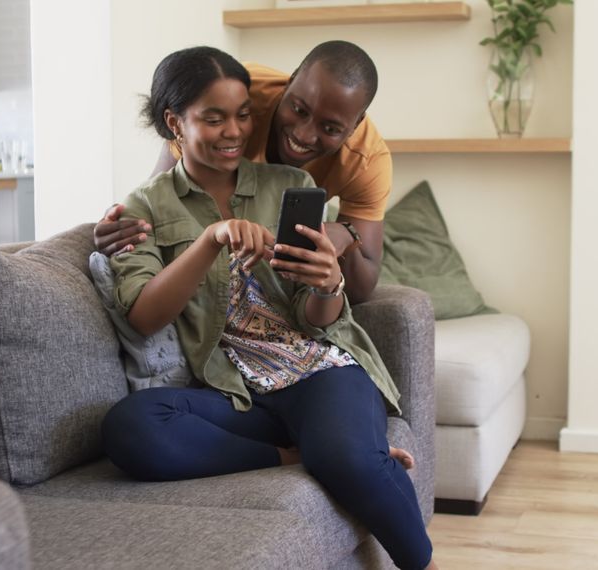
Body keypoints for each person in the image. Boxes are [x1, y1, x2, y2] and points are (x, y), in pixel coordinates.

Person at [100, 46, 435, 570]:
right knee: (131, 427)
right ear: (175, 122)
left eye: (241, 116)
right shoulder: (143, 208)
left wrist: (329, 285)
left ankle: (416, 547)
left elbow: (318, 318)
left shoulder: (295, 188)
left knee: (344, 457)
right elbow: (144, 317)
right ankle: (300, 453)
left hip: (316, 371)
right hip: (234, 393)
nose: (234, 131)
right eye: (214, 118)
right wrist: (209, 240)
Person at [94, 40, 390, 303]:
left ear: (357, 124)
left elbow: (362, 288)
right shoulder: (236, 94)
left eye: (330, 128)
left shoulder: (366, 160)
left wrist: (345, 240)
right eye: (299, 110)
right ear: (290, 81)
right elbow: (161, 199)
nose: (304, 134)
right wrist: (128, 222)